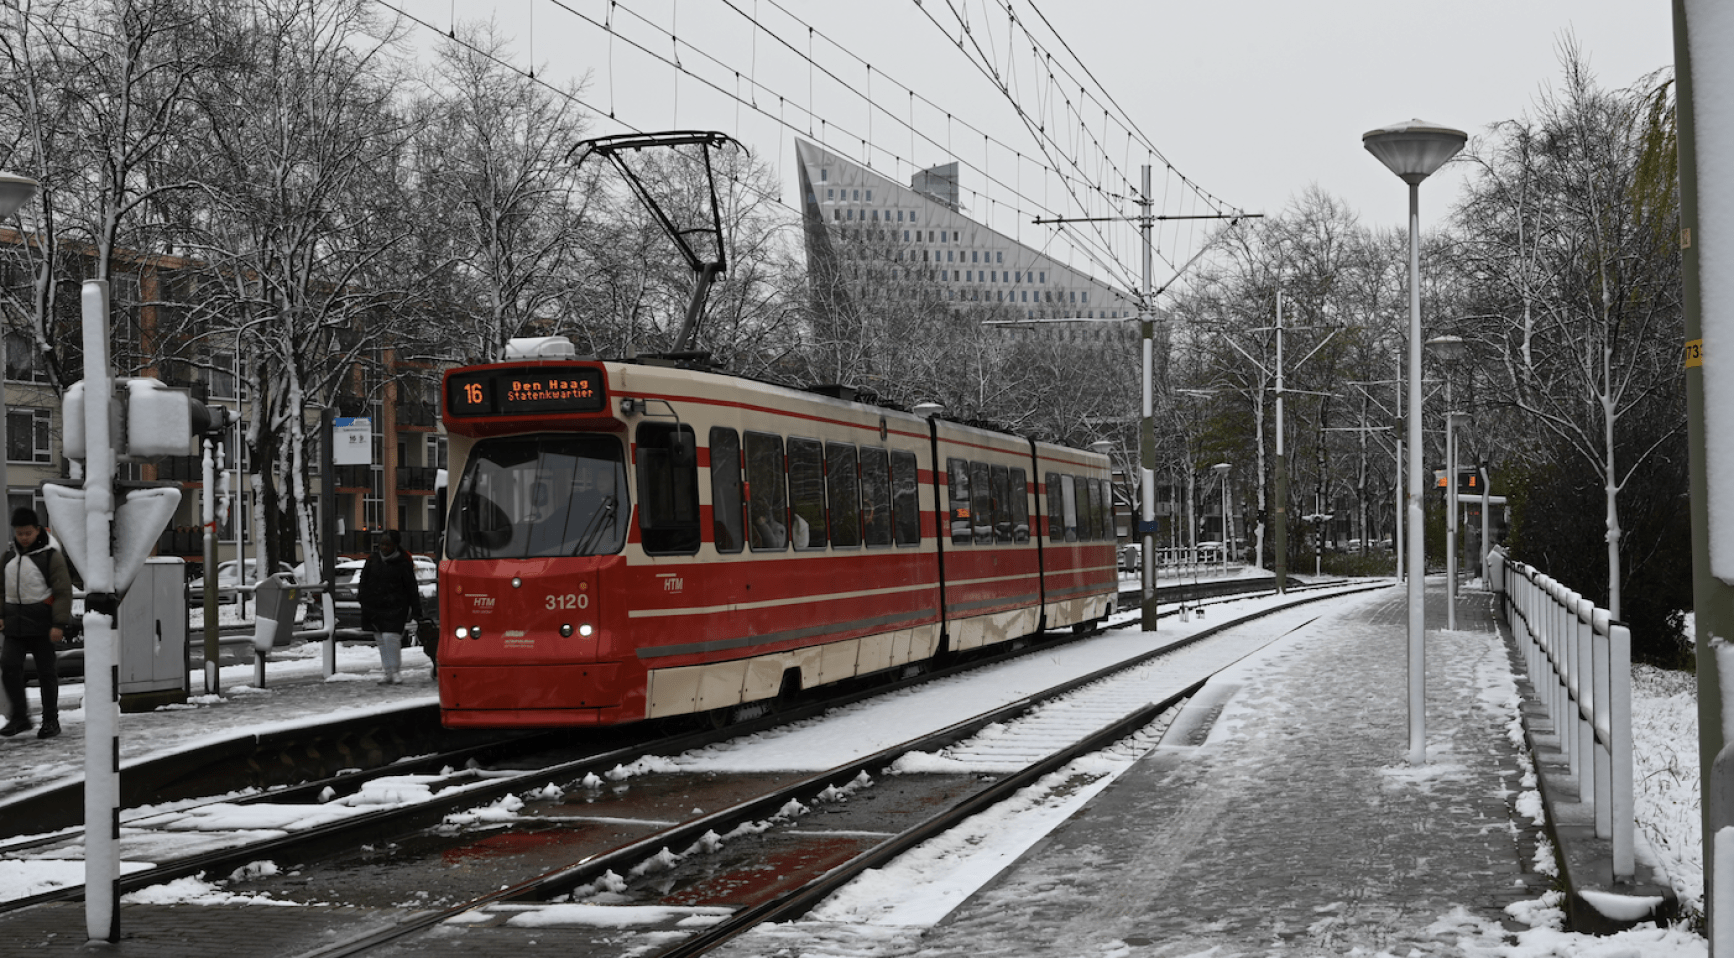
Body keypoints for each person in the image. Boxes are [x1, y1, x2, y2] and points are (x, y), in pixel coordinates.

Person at [0, 508, 72, 738]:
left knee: (46, 673)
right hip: (14, 626)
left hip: (43, 625)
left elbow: (63, 591)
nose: (23, 537)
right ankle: (20, 717)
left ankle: (50, 719)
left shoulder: (51, 556)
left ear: (37, 530)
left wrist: (59, 623)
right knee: (9, 667)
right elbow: (1, 591)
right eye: (19, 533)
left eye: (28, 533)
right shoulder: (9, 558)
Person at [358, 530, 423, 685]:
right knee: (380, 639)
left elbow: (411, 588)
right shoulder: (373, 560)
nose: (384, 547)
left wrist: (416, 611)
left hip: (396, 607)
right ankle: (388, 672)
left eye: (387, 544)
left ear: (395, 545)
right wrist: (363, 600)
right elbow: (364, 581)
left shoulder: (403, 563)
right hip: (375, 607)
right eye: (382, 544)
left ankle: (395, 671)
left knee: (390, 637)